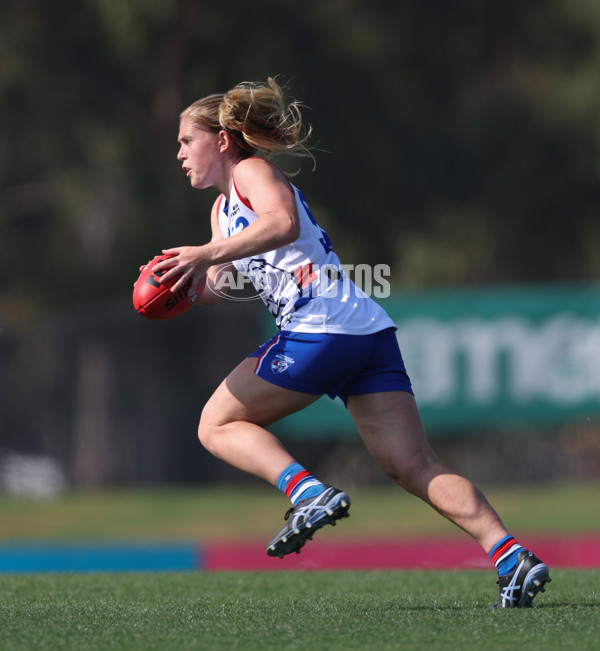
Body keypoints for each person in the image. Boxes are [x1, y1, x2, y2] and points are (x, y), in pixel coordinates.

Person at [154, 77, 551, 608]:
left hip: (320, 326)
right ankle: (510, 556)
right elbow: (217, 290)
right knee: (411, 464)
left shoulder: (250, 170)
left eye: (186, 140)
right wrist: (180, 281)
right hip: (364, 333)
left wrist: (205, 253)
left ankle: (306, 493)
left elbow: (282, 222)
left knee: (215, 424)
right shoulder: (221, 212)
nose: (179, 152)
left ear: (221, 141)